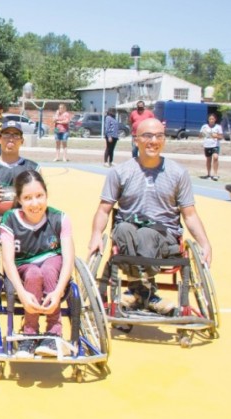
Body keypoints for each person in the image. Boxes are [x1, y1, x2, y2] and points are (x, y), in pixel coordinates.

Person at [88, 118, 213, 316]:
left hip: (164, 236)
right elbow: (104, 210)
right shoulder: (120, 172)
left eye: (159, 136)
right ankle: (147, 293)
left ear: (164, 140)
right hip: (128, 233)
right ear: (136, 139)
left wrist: (205, 243)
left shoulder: (178, 173)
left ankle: (138, 291)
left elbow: (189, 214)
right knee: (123, 228)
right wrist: (96, 235)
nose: (153, 141)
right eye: (147, 136)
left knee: (146, 233)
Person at [0, 170, 74, 358]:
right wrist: (22, 293)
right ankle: (29, 333)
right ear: (19, 200)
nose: (35, 203)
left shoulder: (60, 218)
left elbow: (68, 259)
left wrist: (58, 292)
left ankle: (54, 333)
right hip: (23, 268)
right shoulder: (10, 219)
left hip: (53, 265)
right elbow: (7, 260)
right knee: (33, 273)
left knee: (48, 269)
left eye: (39, 196)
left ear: (46, 194)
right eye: (28, 198)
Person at [200, 114, 222, 181]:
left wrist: (216, 136)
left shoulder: (218, 127)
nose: (211, 120)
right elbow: (200, 136)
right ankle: (208, 174)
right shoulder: (204, 126)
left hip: (215, 145)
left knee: (215, 157)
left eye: (212, 119)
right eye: (210, 119)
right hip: (207, 145)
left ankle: (215, 174)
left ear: (215, 119)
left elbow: (221, 137)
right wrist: (204, 133)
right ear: (208, 120)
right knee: (208, 159)